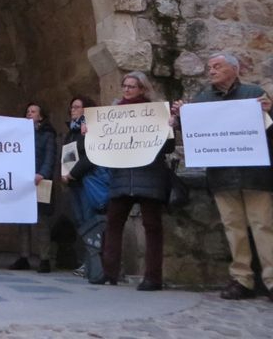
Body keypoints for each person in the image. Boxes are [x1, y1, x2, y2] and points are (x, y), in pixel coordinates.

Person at [172, 53, 273, 300]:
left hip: (255, 174)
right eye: (209, 67)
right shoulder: (203, 99)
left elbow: (268, 129)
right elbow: (194, 131)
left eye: (217, 66)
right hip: (222, 176)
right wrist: (180, 117)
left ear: (234, 69)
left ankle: (271, 281)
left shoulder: (253, 94)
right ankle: (242, 279)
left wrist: (271, 110)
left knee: (263, 226)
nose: (211, 71)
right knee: (233, 227)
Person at [94, 71, 174, 290]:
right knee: (113, 223)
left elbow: (167, 148)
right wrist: (91, 133)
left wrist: (168, 128)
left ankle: (153, 277)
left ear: (142, 89)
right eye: (125, 85)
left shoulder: (154, 113)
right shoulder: (113, 114)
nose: (127, 89)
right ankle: (109, 272)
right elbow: (103, 145)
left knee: (152, 226)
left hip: (149, 174)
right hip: (122, 176)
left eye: (132, 86)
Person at [60, 96, 109, 282]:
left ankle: (94, 262)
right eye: (72, 107)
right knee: (81, 222)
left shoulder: (91, 130)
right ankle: (88, 261)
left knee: (91, 222)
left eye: (77, 107)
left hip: (86, 181)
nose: (73, 110)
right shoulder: (72, 131)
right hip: (74, 183)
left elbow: (91, 155)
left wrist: (73, 173)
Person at [10, 102, 56, 273]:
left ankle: (45, 258)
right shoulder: (20, 134)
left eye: (33, 111)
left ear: (41, 116)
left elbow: (50, 156)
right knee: (23, 221)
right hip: (23, 182)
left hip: (39, 180)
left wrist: (42, 173)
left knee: (42, 221)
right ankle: (24, 256)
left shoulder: (47, 135)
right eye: (27, 111)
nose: (29, 113)